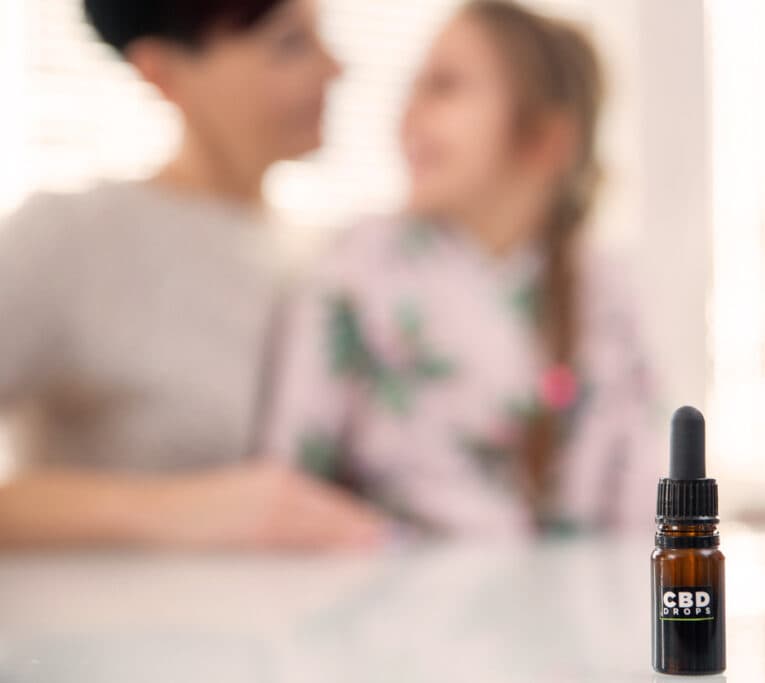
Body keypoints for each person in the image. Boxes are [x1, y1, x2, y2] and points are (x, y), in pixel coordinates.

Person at [266, 0, 658, 538]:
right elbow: (286, 488)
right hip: (384, 609)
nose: (408, 112)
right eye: (415, 86)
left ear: (544, 139)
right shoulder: (354, 270)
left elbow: (644, 507)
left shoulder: (604, 290)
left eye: (444, 86)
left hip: (576, 612)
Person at [0, 0, 383, 549]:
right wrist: (172, 510)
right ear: (164, 73)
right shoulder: (71, 237)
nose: (334, 69)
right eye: (290, 45)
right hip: (115, 630)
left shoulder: (332, 257)